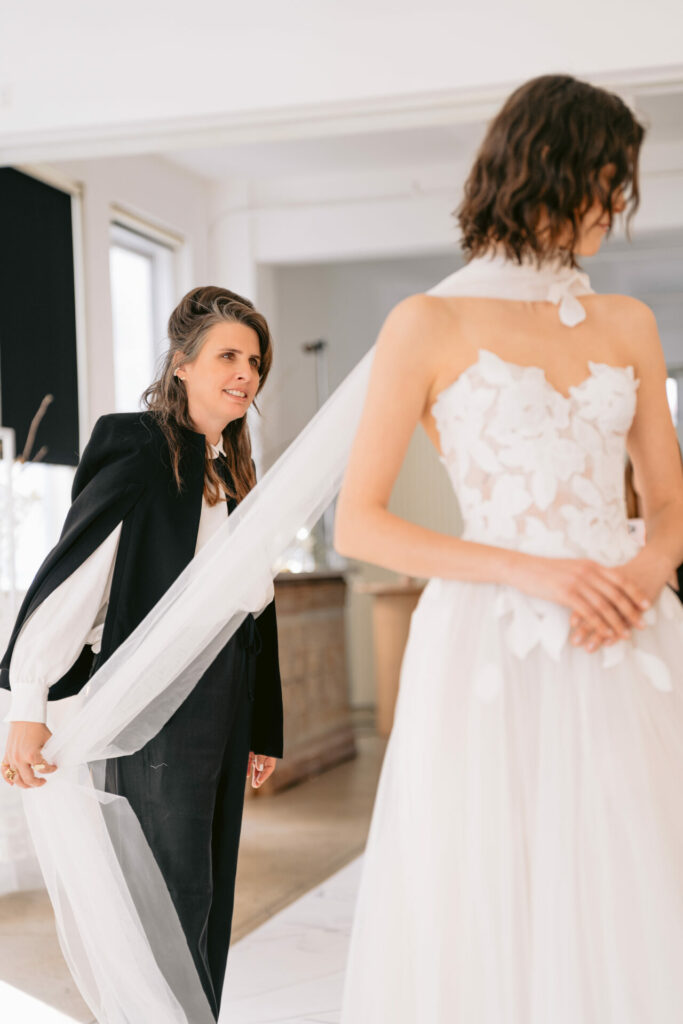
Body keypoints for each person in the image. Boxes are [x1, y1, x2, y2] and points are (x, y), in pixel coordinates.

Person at [334, 74, 683, 1022]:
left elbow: (668, 502)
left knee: (633, 857)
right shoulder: (426, 322)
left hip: (627, 628)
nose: (616, 205)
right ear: (548, 171)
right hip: (492, 631)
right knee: (492, 861)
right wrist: (537, 570)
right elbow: (358, 522)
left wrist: (643, 576)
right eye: (607, 180)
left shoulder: (630, 324)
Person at [1, 286, 283, 1020]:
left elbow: (255, 610)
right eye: (227, 355)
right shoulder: (136, 445)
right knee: (168, 887)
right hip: (160, 701)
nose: (244, 373)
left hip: (225, 695)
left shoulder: (233, 464)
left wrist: (263, 726)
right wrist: (27, 704)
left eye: (253, 360)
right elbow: (73, 578)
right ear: (182, 364)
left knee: (208, 889)